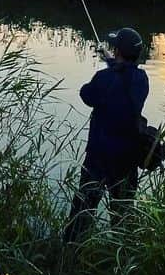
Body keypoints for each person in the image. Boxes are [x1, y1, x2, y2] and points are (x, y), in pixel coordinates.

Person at [63, 26, 148, 243]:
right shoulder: (142, 80)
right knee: (122, 218)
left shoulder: (103, 78)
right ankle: (122, 261)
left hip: (98, 159)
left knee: (82, 214)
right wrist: (113, 63)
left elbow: (86, 94)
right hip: (126, 161)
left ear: (118, 52)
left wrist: (111, 66)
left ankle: (69, 256)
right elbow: (125, 76)